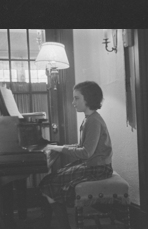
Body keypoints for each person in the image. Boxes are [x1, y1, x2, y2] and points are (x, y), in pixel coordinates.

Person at [39, 81, 113, 227]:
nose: (73, 102)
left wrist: (58, 149)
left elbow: (86, 152)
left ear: (88, 99)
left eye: (76, 98)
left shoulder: (93, 121)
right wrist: (58, 147)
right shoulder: (89, 118)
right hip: (92, 165)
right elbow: (81, 147)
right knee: (49, 181)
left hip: (99, 169)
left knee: (48, 185)